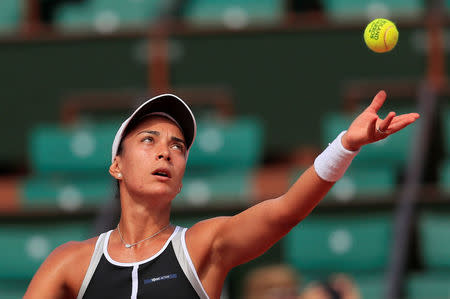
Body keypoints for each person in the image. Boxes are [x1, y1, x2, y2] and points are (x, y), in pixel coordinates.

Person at [24, 91, 419, 299]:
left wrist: (345, 146)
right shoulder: (69, 263)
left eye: (178, 147)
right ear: (117, 166)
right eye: (148, 140)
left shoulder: (202, 247)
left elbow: (285, 211)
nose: (166, 151)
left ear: (180, 180)